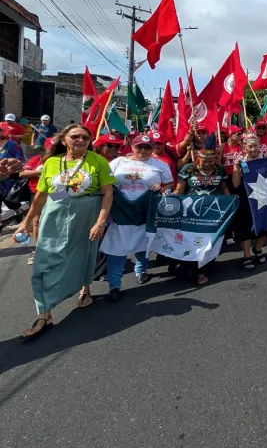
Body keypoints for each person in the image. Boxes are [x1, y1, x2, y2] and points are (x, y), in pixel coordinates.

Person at [13, 124, 115, 340]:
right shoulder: (51, 162)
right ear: (63, 140)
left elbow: (108, 193)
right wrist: (26, 221)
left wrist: (100, 222)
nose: (81, 140)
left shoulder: (98, 161)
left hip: (87, 214)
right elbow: (41, 195)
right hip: (55, 213)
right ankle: (44, 313)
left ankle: (85, 291)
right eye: (75, 136)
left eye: (85, 137)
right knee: (45, 260)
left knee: (84, 254)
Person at [100, 134, 174, 302]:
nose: (143, 150)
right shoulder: (118, 162)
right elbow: (105, 182)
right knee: (117, 248)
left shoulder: (161, 165)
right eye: (139, 146)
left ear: (152, 148)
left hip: (145, 210)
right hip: (120, 211)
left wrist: (162, 188)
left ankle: (141, 270)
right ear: (132, 146)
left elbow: (169, 184)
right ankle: (114, 286)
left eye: (147, 147)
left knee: (142, 242)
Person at [172, 148, 230, 285]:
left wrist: (230, 200)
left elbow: (223, 187)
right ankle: (194, 268)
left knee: (211, 241)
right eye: (205, 161)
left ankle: (204, 267)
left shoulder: (220, 169)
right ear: (198, 159)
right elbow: (180, 189)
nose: (208, 164)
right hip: (192, 212)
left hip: (214, 212)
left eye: (211, 161)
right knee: (194, 241)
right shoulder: (188, 168)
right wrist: (170, 198)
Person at [231, 134, 267, 270]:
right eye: (250, 146)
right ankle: (246, 256)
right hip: (246, 198)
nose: (253, 149)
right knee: (246, 227)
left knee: (265, 224)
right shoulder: (240, 162)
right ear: (244, 148)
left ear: (259, 147)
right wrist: (236, 168)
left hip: (263, 197)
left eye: (255, 146)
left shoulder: (266, 159)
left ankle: (257, 249)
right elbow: (236, 184)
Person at [20, 138, 54, 262]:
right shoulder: (37, 159)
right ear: (46, 148)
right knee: (37, 222)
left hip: (57, 194)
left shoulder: (65, 160)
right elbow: (22, 173)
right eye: (51, 148)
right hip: (36, 193)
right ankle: (39, 251)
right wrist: (40, 171)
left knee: (57, 221)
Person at [0, 129, 26, 230]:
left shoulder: (12, 145)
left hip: (9, 181)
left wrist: (11, 166)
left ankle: (19, 213)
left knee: (11, 201)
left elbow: (21, 162)